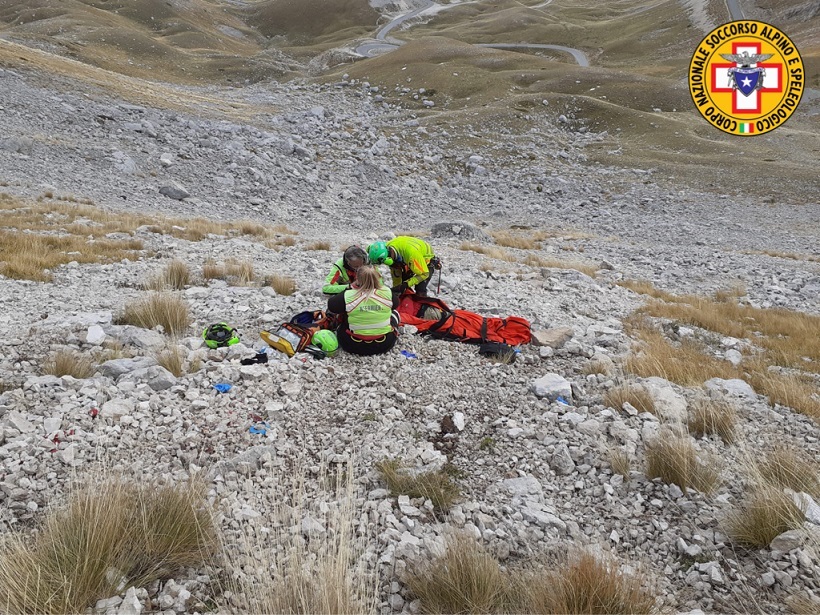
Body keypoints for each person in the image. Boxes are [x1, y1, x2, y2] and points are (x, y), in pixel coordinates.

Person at [327, 265, 399, 356]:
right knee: (394, 313)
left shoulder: (348, 295)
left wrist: (350, 287)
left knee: (343, 314)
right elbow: (395, 304)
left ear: (357, 278)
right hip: (384, 344)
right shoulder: (387, 292)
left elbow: (331, 306)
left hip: (353, 344)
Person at [368, 237, 440, 298]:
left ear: (388, 258)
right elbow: (396, 274)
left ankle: (422, 308)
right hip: (409, 255)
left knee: (420, 288)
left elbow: (424, 274)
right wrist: (397, 289)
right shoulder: (389, 249)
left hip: (425, 260)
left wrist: (406, 284)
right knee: (403, 285)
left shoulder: (411, 255)